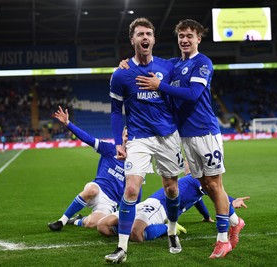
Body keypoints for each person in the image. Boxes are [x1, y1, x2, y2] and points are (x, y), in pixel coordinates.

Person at [134, 19, 234, 258]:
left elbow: (192, 94)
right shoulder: (174, 64)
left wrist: (160, 85)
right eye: (181, 36)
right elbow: (150, 62)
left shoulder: (203, 62)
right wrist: (127, 64)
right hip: (186, 136)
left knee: (215, 185)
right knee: (204, 185)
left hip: (205, 132)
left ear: (199, 38)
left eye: (190, 35)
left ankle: (223, 239)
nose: (185, 40)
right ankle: (235, 220)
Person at [106, 18, 184, 264]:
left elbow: (188, 67)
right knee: (131, 189)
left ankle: (171, 230)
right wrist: (119, 141)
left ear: (154, 39)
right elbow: (116, 111)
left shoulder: (167, 67)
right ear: (132, 40)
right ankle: (122, 248)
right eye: (140, 34)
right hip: (138, 138)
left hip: (168, 136)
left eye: (148, 33)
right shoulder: (121, 74)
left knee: (171, 188)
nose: (145, 38)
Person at [95, 165, 248, 250]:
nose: (187, 164)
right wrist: (210, 214)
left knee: (136, 234)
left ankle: (167, 227)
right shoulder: (193, 181)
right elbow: (206, 197)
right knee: (102, 225)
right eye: (187, 162)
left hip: (160, 208)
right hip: (150, 203)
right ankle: (158, 227)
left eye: (190, 162)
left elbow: (208, 196)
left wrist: (228, 203)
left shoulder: (197, 180)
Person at [48, 106, 138, 231]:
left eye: (132, 136)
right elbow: (88, 139)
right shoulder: (109, 149)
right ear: (122, 135)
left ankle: (77, 220)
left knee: (92, 223)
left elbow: (137, 191)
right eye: (127, 135)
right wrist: (68, 124)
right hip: (98, 188)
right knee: (91, 189)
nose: (128, 139)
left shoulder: (136, 162)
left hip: (110, 201)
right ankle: (61, 221)